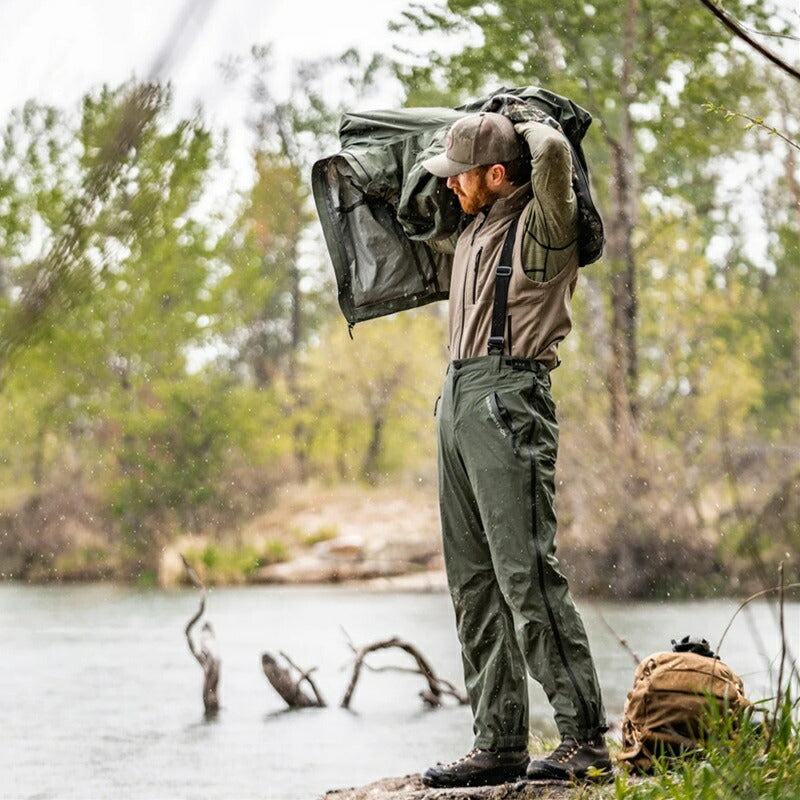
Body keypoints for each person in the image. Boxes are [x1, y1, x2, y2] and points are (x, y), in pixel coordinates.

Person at [419, 111, 611, 787]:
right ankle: (497, 741)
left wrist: (525, 120)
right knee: (473, 583)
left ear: (498, 175)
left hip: (508, 398)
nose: (447, 188)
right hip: (458, 400)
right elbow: (417, 188)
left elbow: (554, 150)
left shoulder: (544, 227)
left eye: (461, 176)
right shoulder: (469, 226)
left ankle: (584, 739)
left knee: (525, 575)